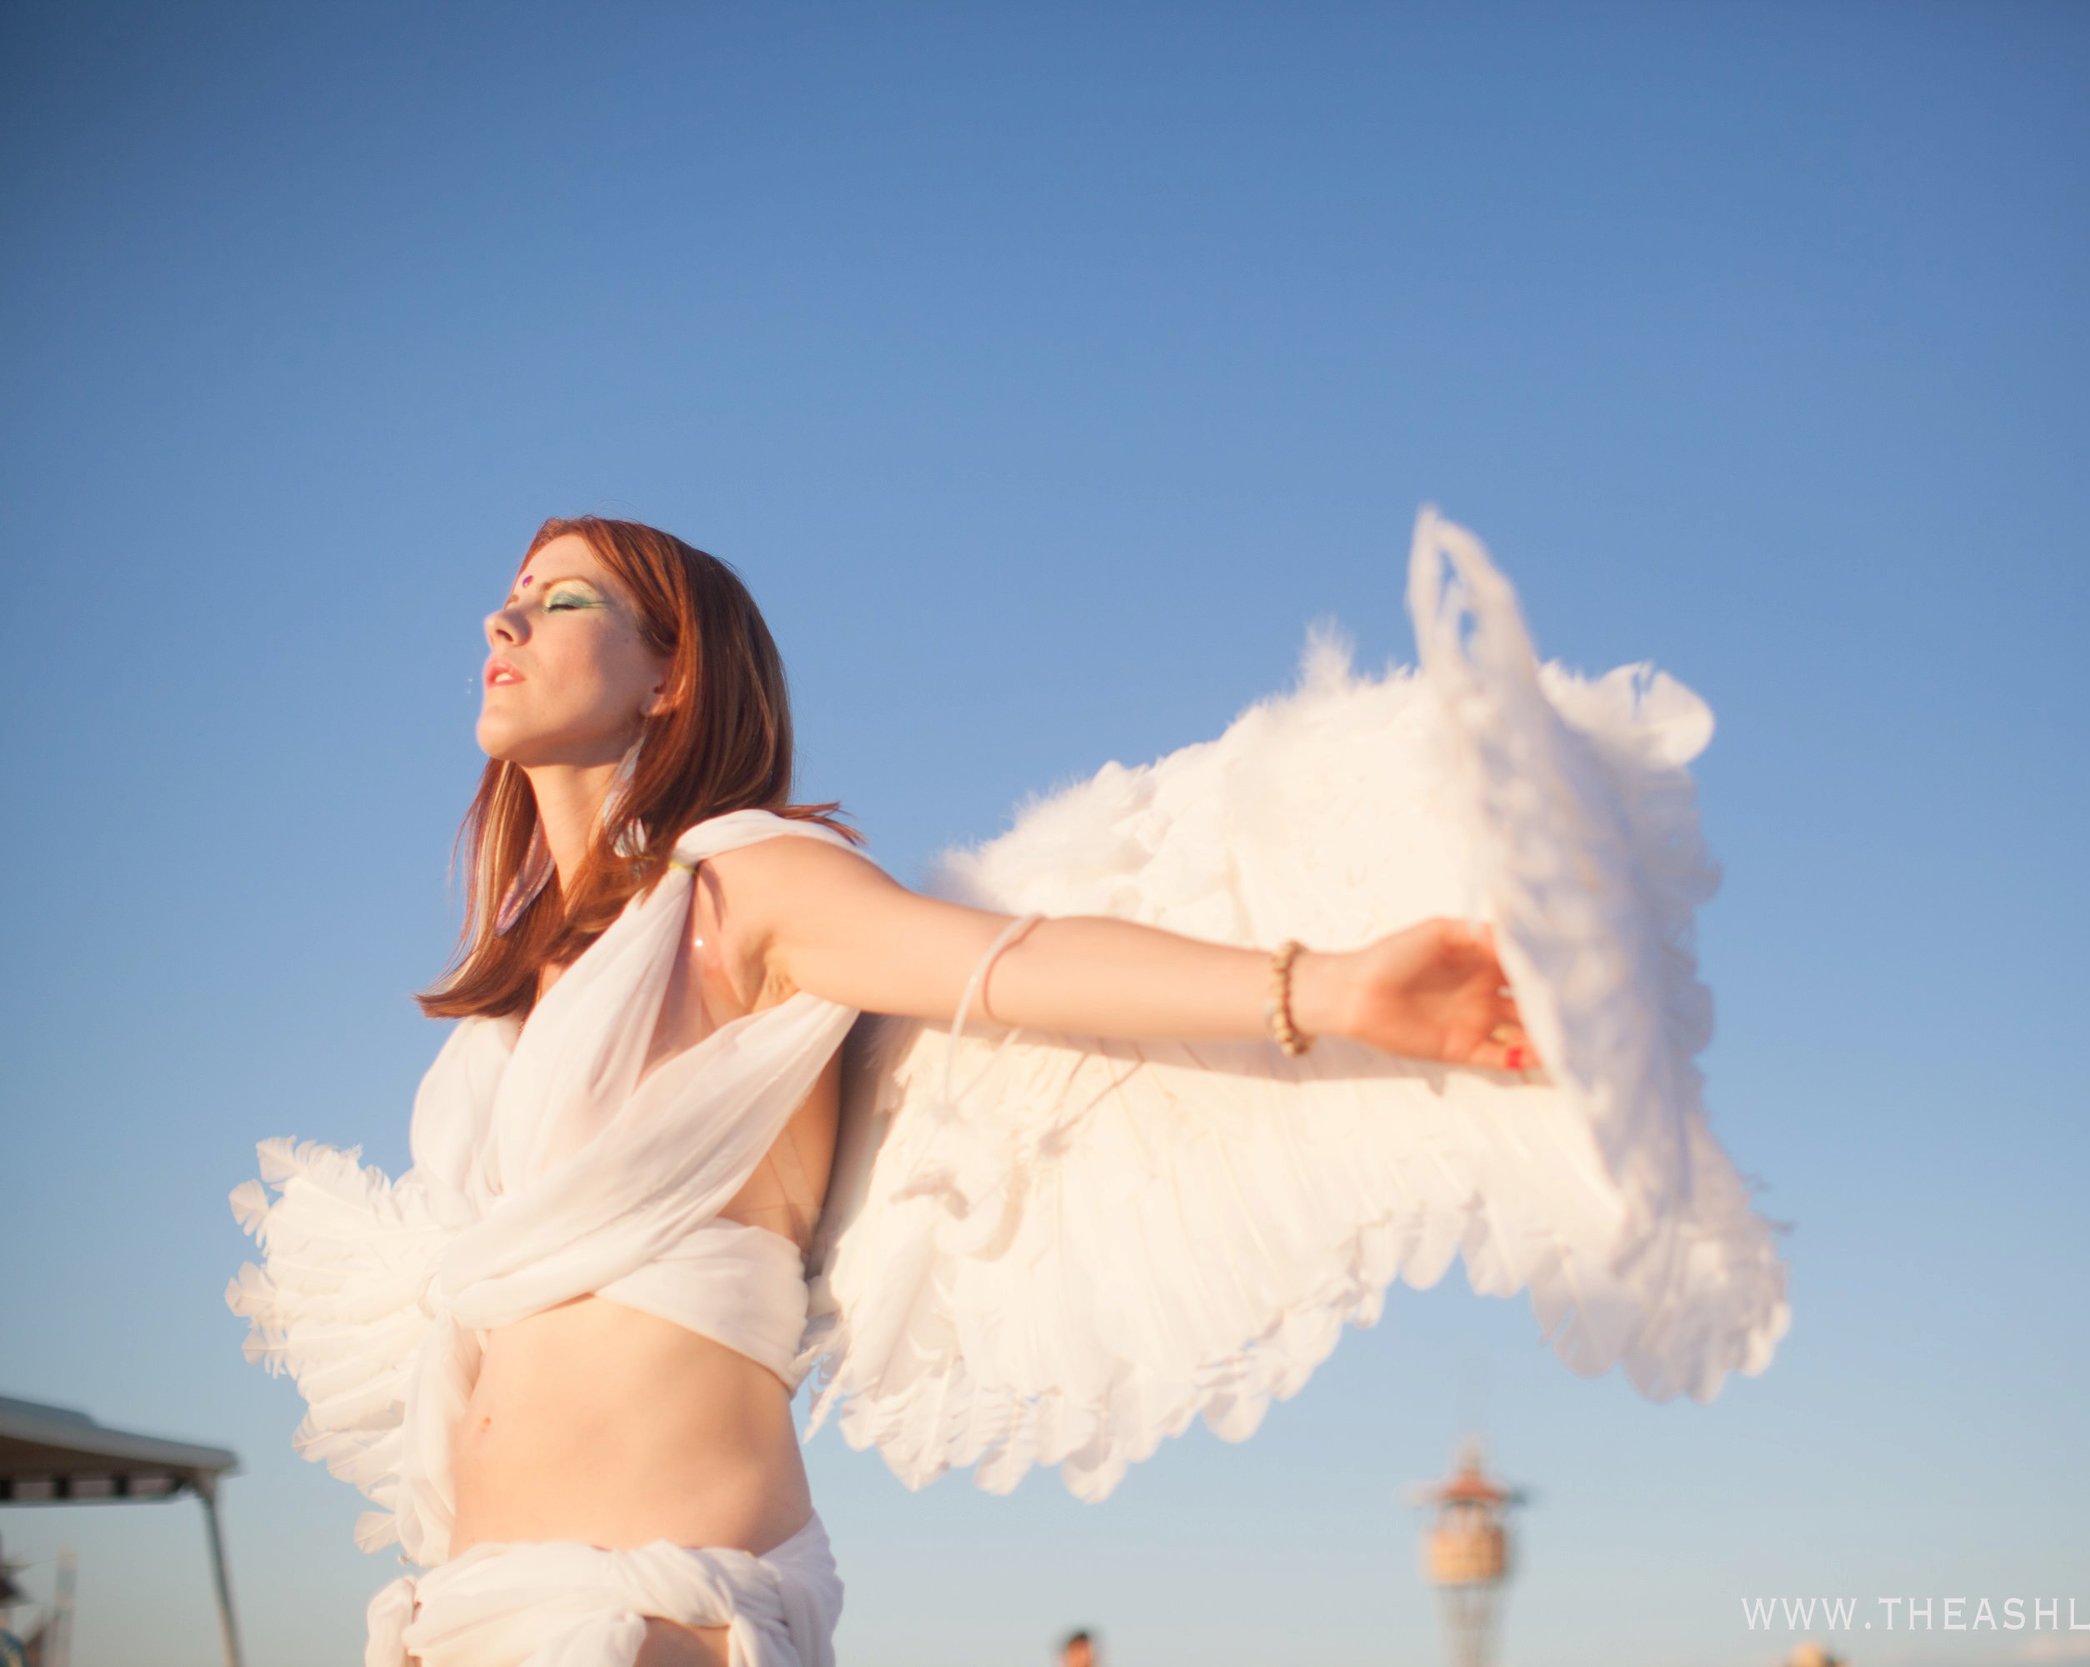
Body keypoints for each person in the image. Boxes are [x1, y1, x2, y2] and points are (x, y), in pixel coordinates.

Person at [230, 509, 1791, 1666]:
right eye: (501, 600)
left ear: (669, 677)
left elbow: (1006, 964)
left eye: (558, 598)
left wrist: (1324, 989)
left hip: (649, 1610)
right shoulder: (527, 971)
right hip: (454, 1610)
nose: (503, 623)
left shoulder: (749, 884)